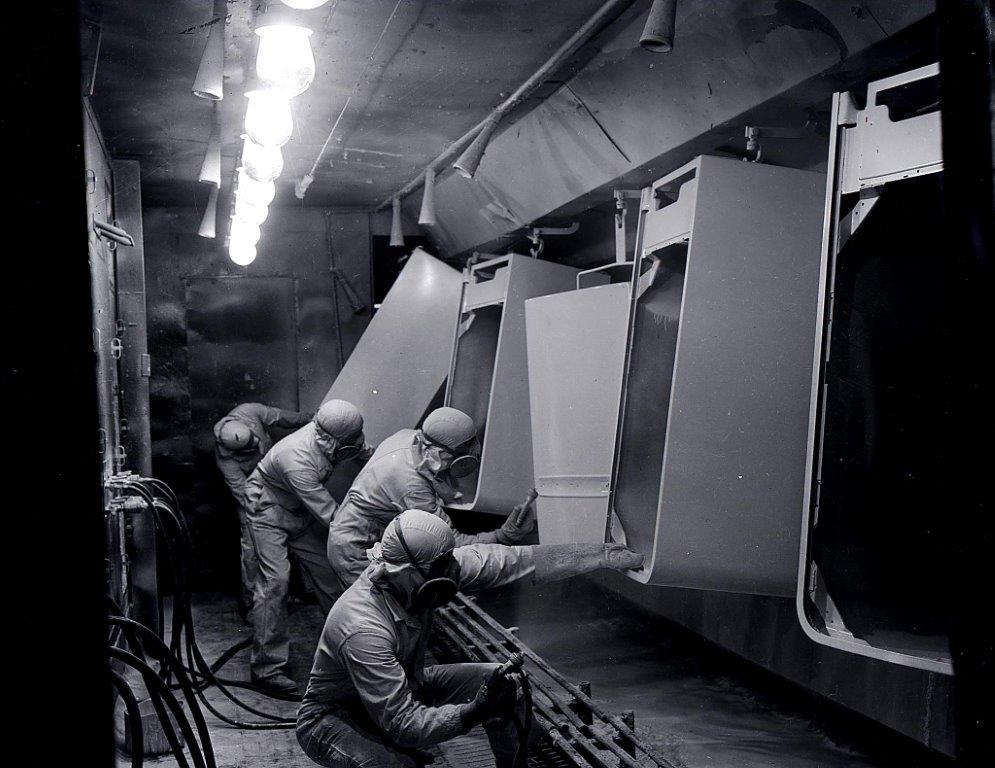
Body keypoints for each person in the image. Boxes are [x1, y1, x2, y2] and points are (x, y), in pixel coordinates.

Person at [297, 509, 645, 768]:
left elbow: (512, 561)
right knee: (396, 766)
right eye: (442, 567)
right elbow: (403, 724)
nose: (452, 573)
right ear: (405, 572)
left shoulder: (422, 571)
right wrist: (472, 711)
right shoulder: (364, 628)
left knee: (509, 686)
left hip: (405, 685)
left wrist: (600, 555)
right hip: (335, 716)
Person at [326, 406, 536, 590]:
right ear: (443, 454)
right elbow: (449, 542)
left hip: (361, 531)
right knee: (385, 608)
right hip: (356, 548)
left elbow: (432, 474)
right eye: (463, 454)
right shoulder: (411, 485)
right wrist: (504, 536)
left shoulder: (409, 437)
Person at [245, 399, 373, 695]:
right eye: (346, 444)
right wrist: (373, 533)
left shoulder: (343, 434)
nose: (353, 447)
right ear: (326, 438)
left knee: (332, 570)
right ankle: (267, 670)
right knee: (275, 582)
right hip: (268, 510)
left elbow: (363, 451)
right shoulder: (296, 458)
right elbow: (334, 518)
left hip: (298, 510)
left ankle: (353, 646)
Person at [214, 402, 314, 620]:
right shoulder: (226, 461)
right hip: (253, 500)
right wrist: (271, 510)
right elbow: (242, 493)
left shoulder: (249, 411)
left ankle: (305, 590)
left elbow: (280, 416)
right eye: (252, 448)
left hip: (279, 482)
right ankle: (251, 604)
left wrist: (309, 418)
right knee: (251, 550)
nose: (258, 446)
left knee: (305, 532)